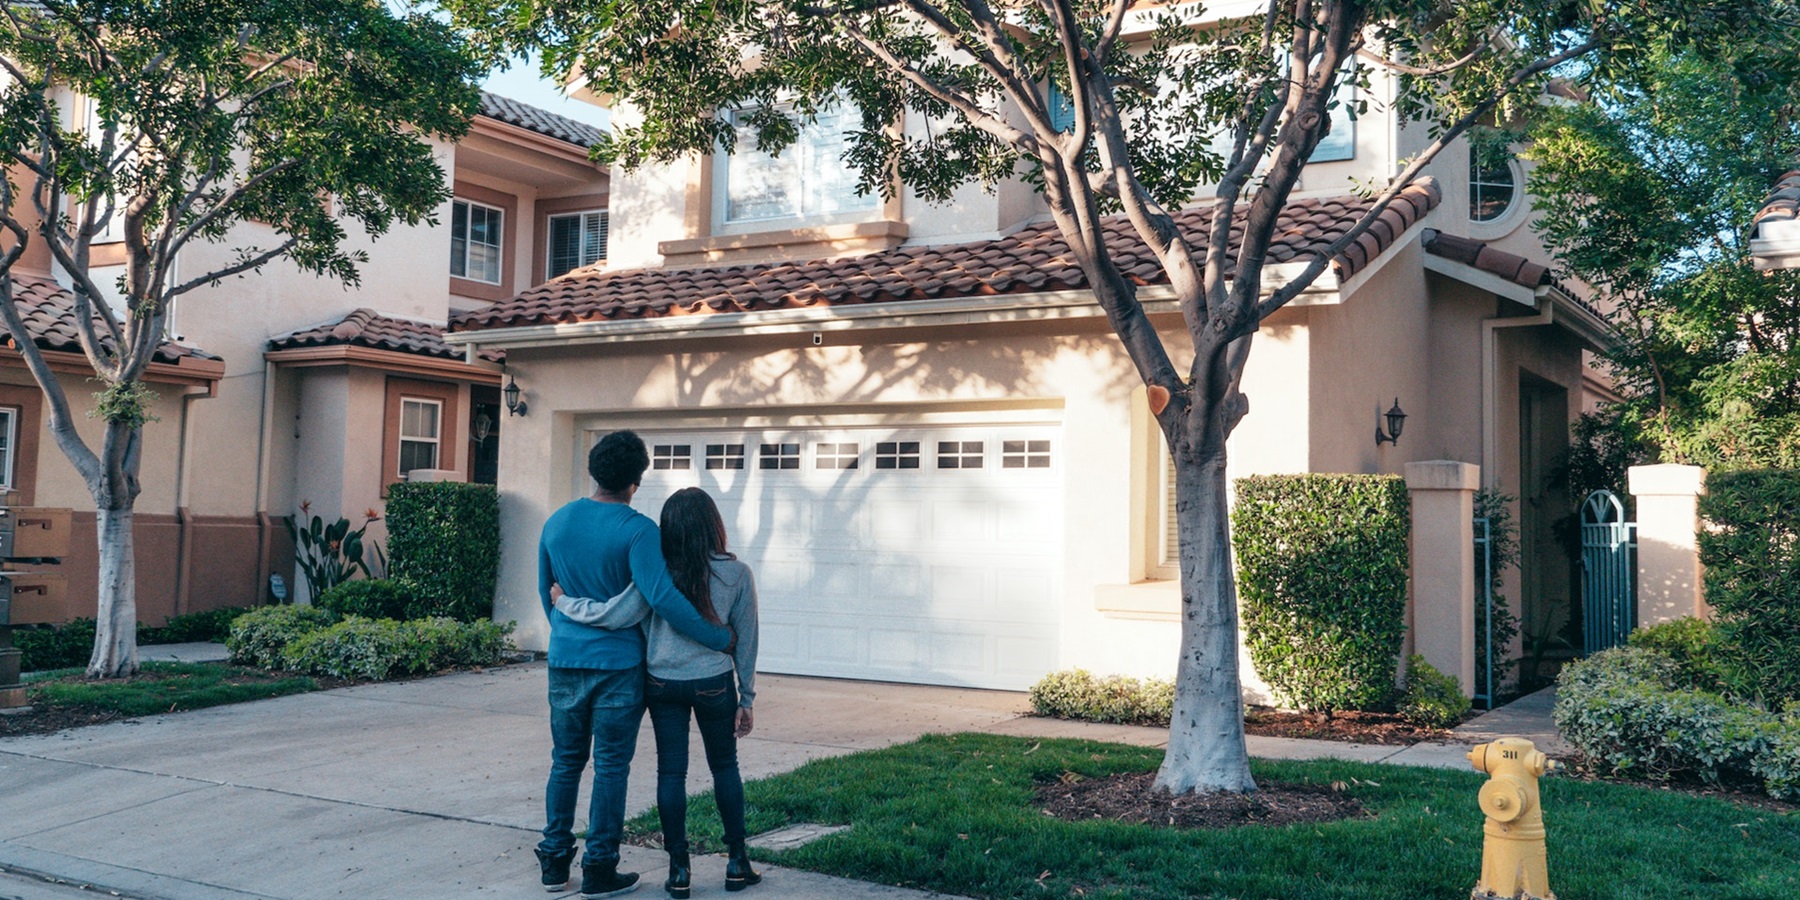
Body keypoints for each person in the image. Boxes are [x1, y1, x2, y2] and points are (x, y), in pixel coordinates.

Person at [536, 432, 734, 899]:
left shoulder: (557, 522)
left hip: (565, 659)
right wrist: (717, 637)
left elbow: (547, 594)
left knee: (565, 762)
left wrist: (570, 636)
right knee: (610, 767)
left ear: (594, 471)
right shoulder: (640, 530)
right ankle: (600, 868)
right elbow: (663, 598)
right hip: (619, 667)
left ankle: (553, 864)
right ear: (636, 480)